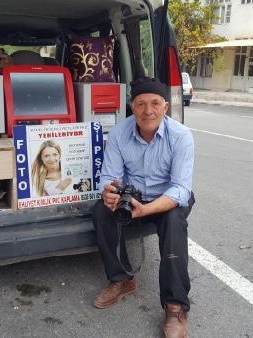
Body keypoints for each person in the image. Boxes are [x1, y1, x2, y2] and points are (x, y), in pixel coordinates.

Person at [92, 78, 195, 338]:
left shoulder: (181, 136)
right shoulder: (118, 133)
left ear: (166, 107)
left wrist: (146, 210)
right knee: (101, 211)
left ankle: (175, 306)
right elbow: (109, 176)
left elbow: (181, 189)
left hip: (166, 198)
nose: (148, 111)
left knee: (173, 223)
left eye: (155, 104)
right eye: (140, 104)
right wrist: (110, 192)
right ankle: (122, 279)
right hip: (134, 195)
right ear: (132, 107)